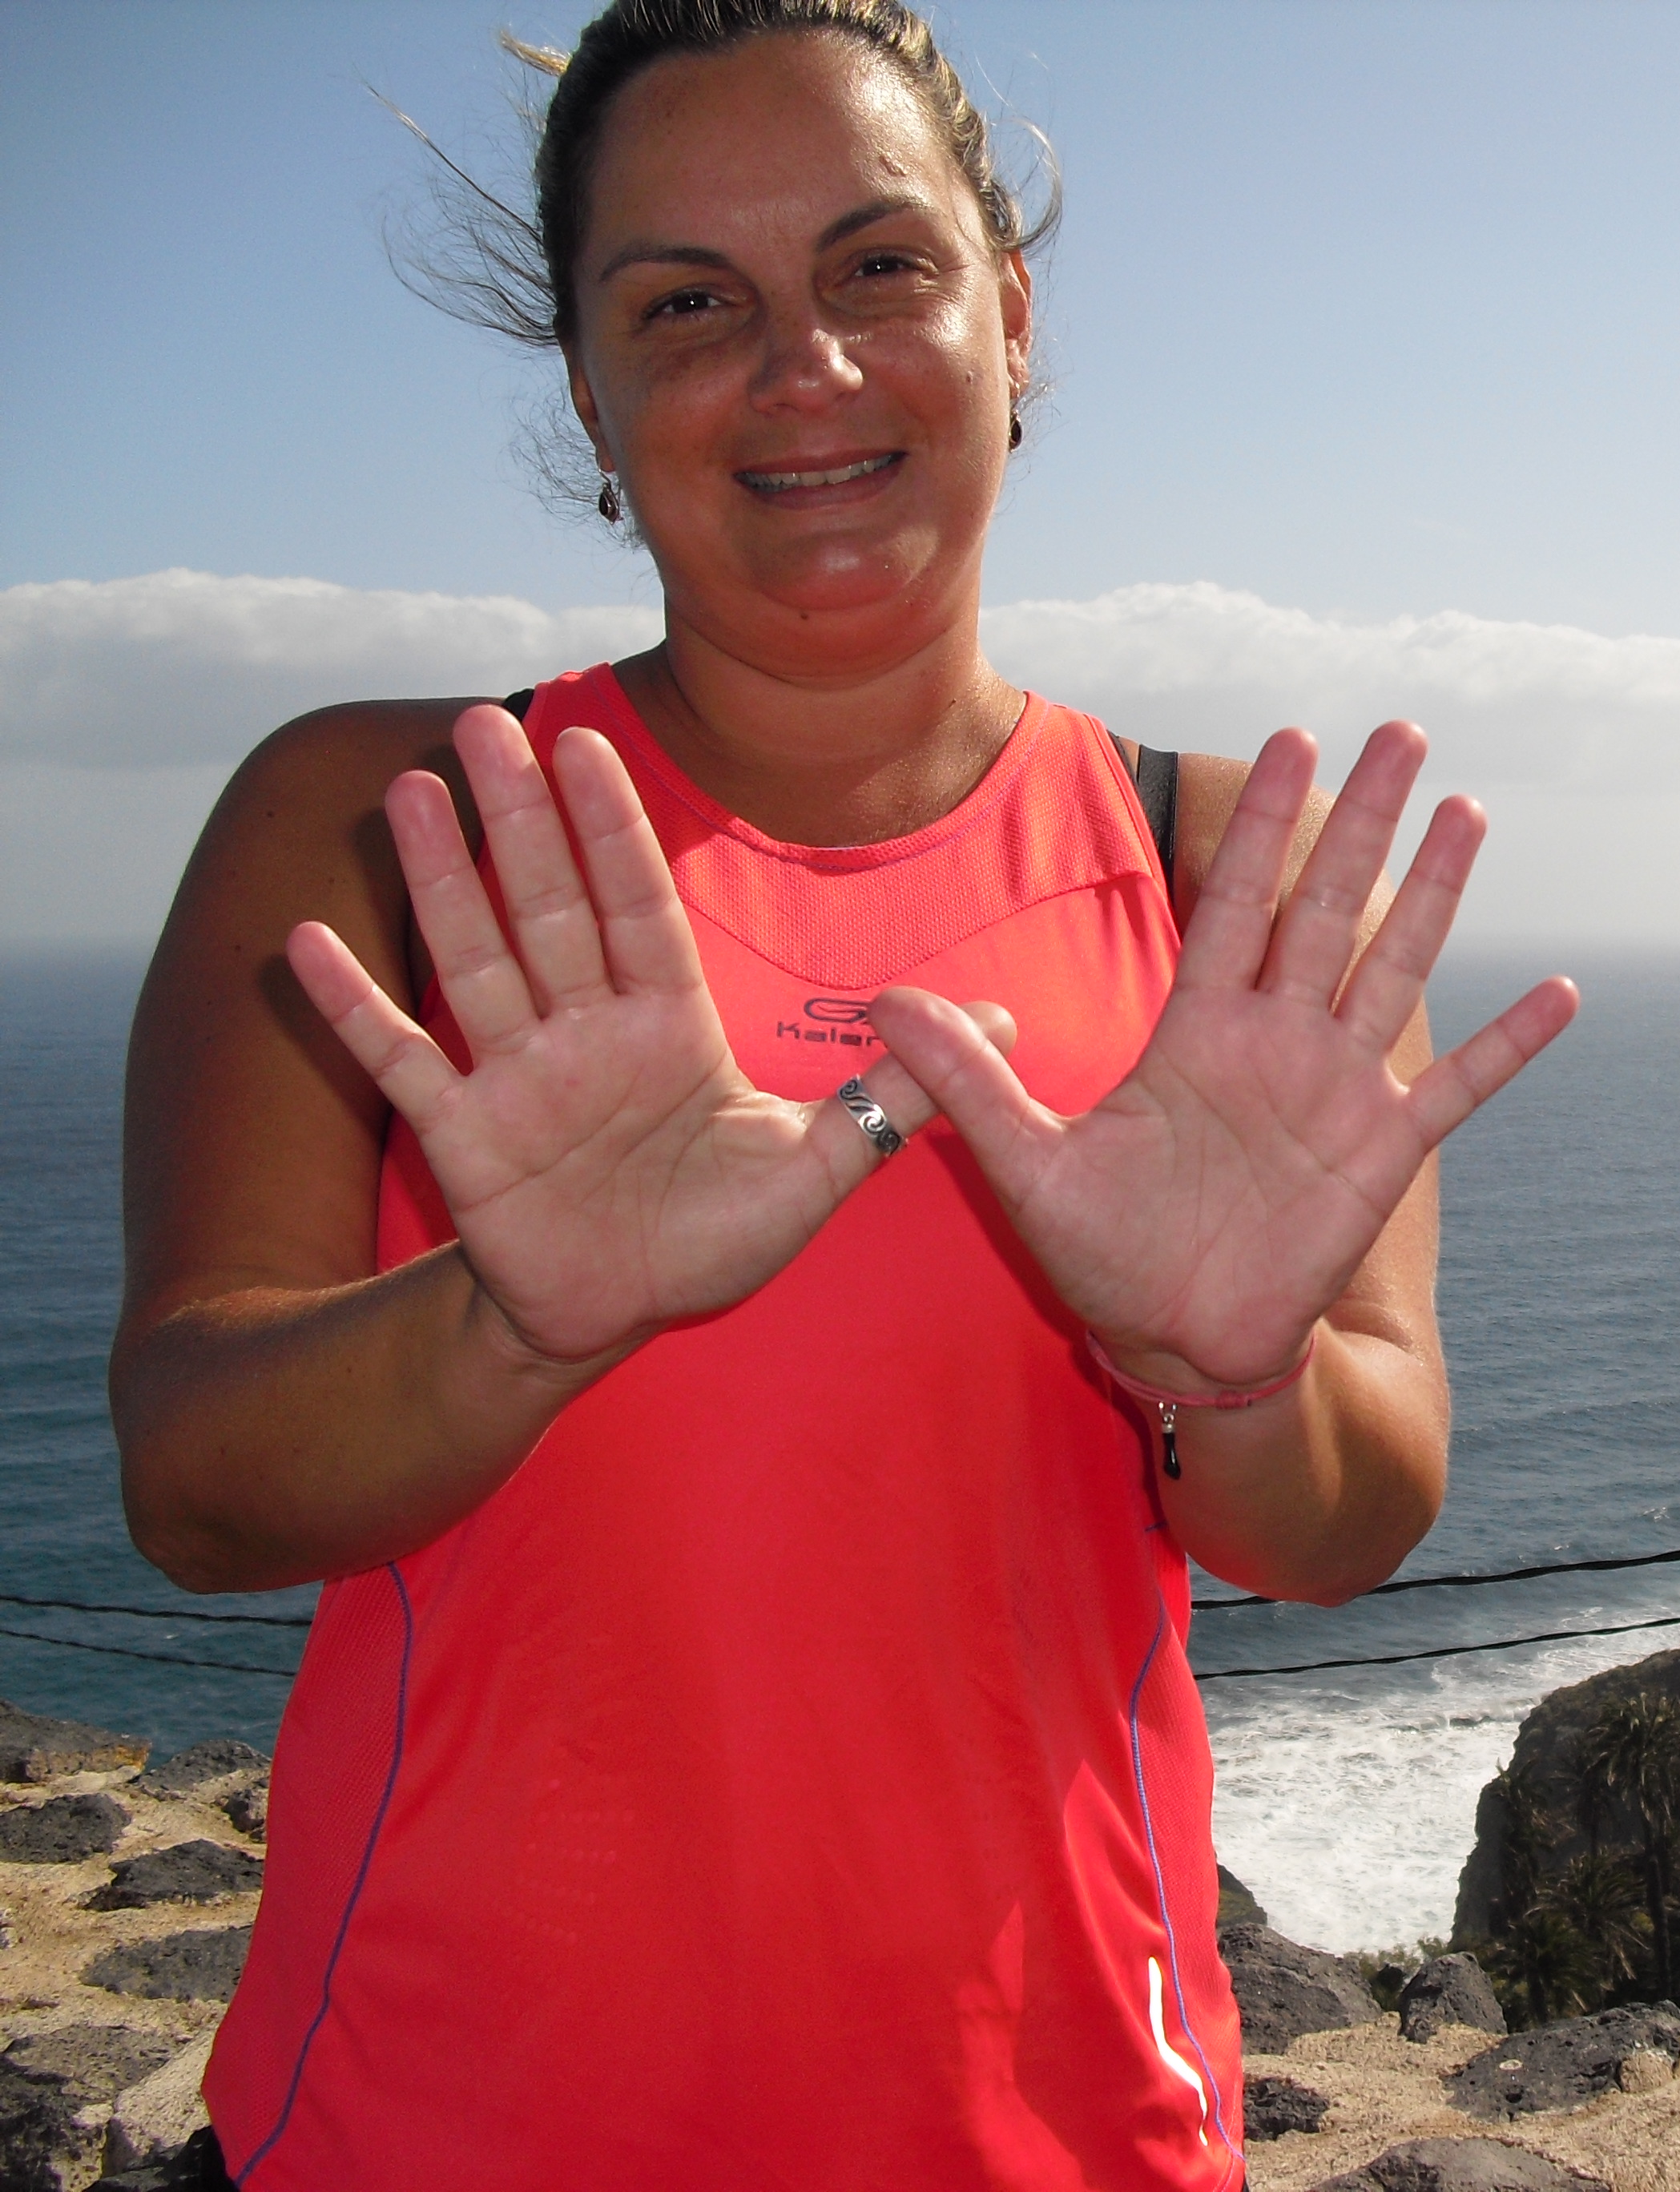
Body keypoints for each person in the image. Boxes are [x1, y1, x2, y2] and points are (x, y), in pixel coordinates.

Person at [107, 2, 1577, 2182]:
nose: (802, 366)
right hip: (428, 2126)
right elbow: (198, 1486)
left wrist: (1216, 1376)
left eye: (880, 267)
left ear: (1013, 322)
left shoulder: (1221, 899)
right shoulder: (390, 824)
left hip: (1059, 2133)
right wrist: (513, 1320)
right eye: (687, 305)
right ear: (592, 402)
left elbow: (1349, 1527)